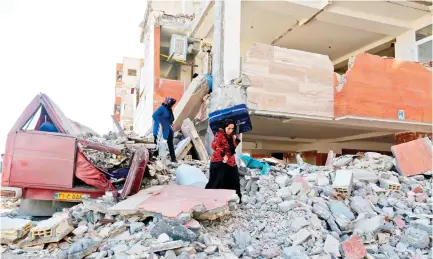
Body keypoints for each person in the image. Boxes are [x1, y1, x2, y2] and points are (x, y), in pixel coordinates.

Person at [206, 119, 242, 201]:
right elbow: (214, 146)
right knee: (217, 180)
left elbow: (232, 147)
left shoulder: (231, 136)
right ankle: (209, 199)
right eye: (229, 128)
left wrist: (238, 139)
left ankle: (234, 199)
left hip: (231, 162)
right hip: (219, 161)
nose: (231, 130)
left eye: (232, 129)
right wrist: (223, 154)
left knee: (234, 180)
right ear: (224, 127)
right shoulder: (219, 135)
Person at [152, 97, 177, 163]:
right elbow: (154, 115)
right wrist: (160, 123)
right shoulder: (161, 108)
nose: (172, 105)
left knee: (170, 143)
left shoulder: (169, 109)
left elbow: (169, 118)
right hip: (159, 130)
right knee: (157, 146)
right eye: (171, 104)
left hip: (167, 128)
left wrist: (171, 123)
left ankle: (173, 159)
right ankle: (154, 159)